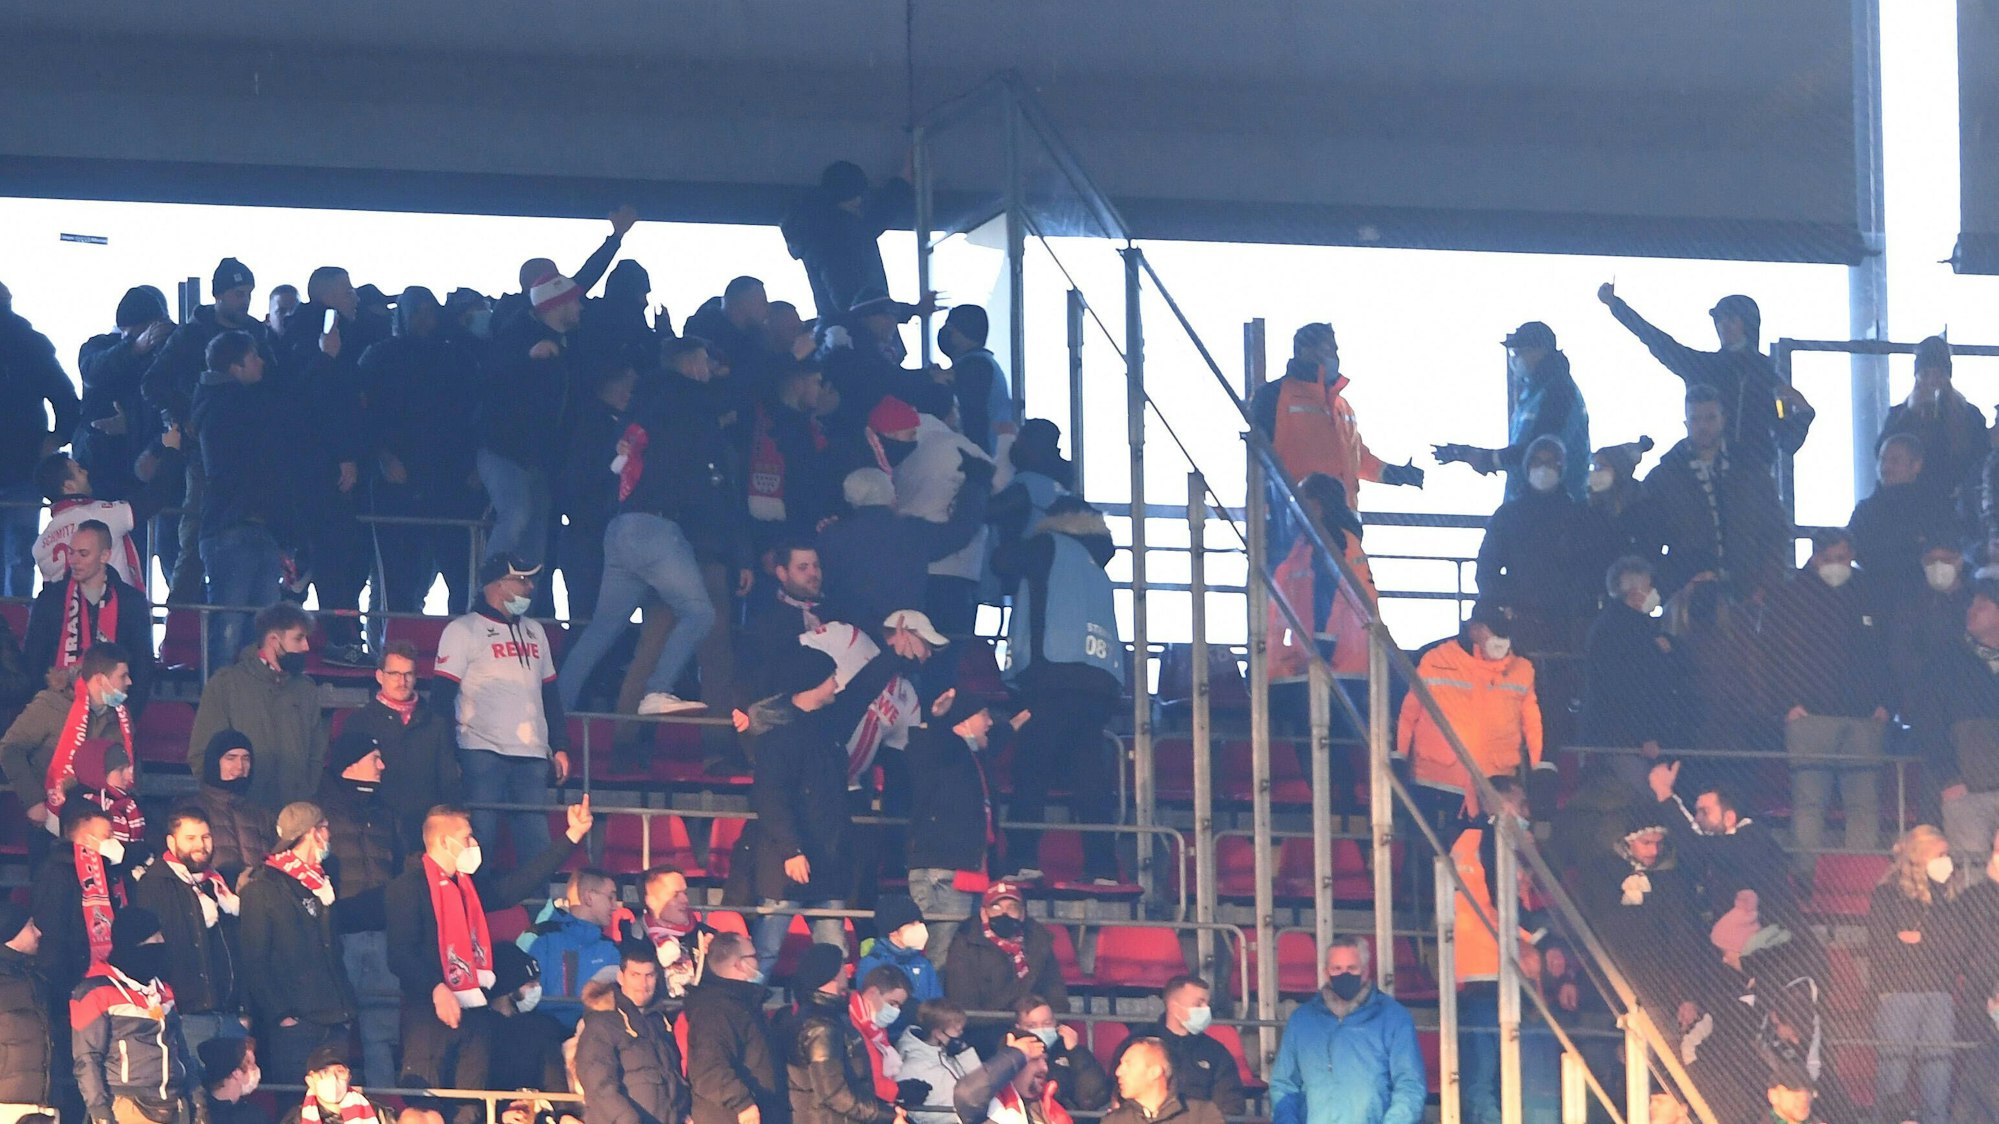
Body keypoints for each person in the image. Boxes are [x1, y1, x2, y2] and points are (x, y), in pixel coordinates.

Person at [559, 334, 748, 720]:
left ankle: (555, 710)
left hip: (621, 528)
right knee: (700, 614)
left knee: (601, 630)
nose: (709, 372)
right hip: (658, 529)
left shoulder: (641, 406)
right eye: (705, 364)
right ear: (693, 363)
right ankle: (657, 690)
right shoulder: (685, 399)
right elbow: (733, 398)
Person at [384, 800, 593, 1121]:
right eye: (467, 837)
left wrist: (571, 836)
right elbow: (400, 954)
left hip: (475, 1019)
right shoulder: (407, 888)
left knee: (471, 1110)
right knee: (426, 1111)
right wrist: (436, 988)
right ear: (443, 842)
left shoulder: (471, 888)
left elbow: (518, 885)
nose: (474, 844)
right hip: (428, 1019)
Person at [992, 496, 1125, 882]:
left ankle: (1022, 861)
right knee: (1090, 779)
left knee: (1032, 770)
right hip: (1098, 681)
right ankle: (1103, 867)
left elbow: (1002, 561)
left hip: (1052, 678)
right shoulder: (1096, 564)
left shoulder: (1049, 546)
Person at [141, 258, 270, 598]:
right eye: (238, 293)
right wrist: (183, 417)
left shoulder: (257, 333)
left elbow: (274, 384)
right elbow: (154, 382)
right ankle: (179, 623)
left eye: (248, 293)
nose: (244, 300)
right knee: (196, 535)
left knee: (252, 535)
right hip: (203, 452)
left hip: (252, 452)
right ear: (219, 295)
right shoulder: (190, 336)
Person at [277, 265, 386, 667]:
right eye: (346, 290)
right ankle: (339, 641)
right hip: (321, 469)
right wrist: (345, 455)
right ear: (326, 295)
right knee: (336, 554)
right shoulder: (316, 340)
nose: (355, 296)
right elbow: (321, 404)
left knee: (337, 555)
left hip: (317, 467)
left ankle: (324, 629)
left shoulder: (303, 335)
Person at [433, 555, 572, 862]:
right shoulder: (462, 631)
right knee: (477, 843)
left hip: (533, 756)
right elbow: (441, 701)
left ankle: (540, 910)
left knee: (537, 848)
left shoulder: (536, 630)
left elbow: (550, 695)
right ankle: (472, 908)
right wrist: (449, 756)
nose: (530, 586)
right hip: (480, 752)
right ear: (496, 585)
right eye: (521, 580)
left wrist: (560, 746)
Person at [1763, 527, 1892, 854]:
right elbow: (1770, 656)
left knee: (1863, 805)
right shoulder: (1789, 597)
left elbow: (1887, 652)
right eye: (1830, 558)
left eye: (1843, 557)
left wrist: (1885, 703)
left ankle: (1858, 884)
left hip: (1863, 716)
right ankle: (1805, 883)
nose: (1837, 565)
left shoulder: (1870, 593)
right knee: (1809, 805)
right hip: (1809, 716)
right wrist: (1787, 704)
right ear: (1815, 557)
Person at [360, 285, 486, 616]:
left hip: (453, 482)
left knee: (463, 580)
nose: (424, 319)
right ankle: (398, 653)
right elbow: (363, 416)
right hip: (398, 483)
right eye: (417, 312)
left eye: (430, 311)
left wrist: (476, 466)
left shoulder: (460, 358)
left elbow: (479, 415)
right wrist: (384, 457)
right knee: (400, 582)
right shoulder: (379, 357)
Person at [1597, 282, 1811, 470]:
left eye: (1730, 319)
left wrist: (1803, 412)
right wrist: (1617, 307)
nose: (1722, 326)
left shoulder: (1766, 375)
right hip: (1713, 473)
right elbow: (1658, 341)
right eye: (1719, 320)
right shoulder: (1706, 367)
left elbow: (1787, 439)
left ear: (1747, 323)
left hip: (1750, 481)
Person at [1396, 600, 1550, 835]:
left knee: (1490, 861)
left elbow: (1534, 724)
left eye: (1506, 633)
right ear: (1474, 628)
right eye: (1495, 631)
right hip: (1437, 783)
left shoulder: (1524, 667)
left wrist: (1540, 768)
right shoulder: (1434, 658)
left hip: (1493, 788)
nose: (1502, 640)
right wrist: (1398, 755)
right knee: (1429, 857)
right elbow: (1407, 713)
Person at [747, 646, 855, 974]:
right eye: (831, 677)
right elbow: (770, 798)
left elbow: (864, 691)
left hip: (827, 859)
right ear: (812, 682)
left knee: (833, 955)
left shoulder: (826, 729)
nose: (837, 683)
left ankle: (827, 1018)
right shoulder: (778, 740)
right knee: (766, 950)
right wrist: (791, 849)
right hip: (787, 865)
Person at [1638, 383, 1791, 597]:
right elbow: (1648, 541)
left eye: (1710, 418)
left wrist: (1767, 583)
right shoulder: (1663, 478)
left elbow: (1776, 531)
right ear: (1686, 423)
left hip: (1750, 591)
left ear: (1723, 419)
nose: (1703, 426)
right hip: (1689, 594)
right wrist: (1673, 585)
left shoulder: (1752, 470)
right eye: (1695, 419)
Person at [191, 329, 291, 660]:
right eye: (254, 357)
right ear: (235, 367)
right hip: (237, 522)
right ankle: (225, 701)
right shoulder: (235, 405)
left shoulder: (213, 403)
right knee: (239, 624)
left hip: (238, 522)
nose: (261, 363)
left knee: (245, 625)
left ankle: (231, 697)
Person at [238, 801, 354, 1083]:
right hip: (296, 1023)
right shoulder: (263, 887)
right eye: (325, 829)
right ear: (312, 832)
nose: (329, 836)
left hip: (334, 1016)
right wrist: (282, 1015)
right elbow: (254, 959)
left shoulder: (321, 882)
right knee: (296, 1105)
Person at [478, 271, 585, 574]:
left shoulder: (565, 343)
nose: (581, 307)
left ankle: (517, 609)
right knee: (516, 516)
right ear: (558, 304)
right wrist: (526, 359)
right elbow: (490, 378)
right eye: (575, 301)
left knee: (534, 539)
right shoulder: (516, 335)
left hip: (539, 458)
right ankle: (489, 593)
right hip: (505, 451)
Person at [1248, 322, 1424, 504]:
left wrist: (1398, 475)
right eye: (1328, 349)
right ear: (1305, 351)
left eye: (1335, 350)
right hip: (1296, 515)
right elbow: (1262, 455)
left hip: (1342, 519)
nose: (1335, 356)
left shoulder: (1342, 407)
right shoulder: (1275, 395)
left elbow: (1358, 459)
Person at [1267, 937, 1425, 1124]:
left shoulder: (1394, 1018)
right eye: (1337, 969)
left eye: (1352, 968)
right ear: (1326, 973)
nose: (1344, 974)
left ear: (1365, 972)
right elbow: (1283, 1085)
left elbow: (1409, 1085)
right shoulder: (1301, 1021)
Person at [70, 907, 204, 1124]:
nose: (161, 946)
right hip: (129, 1103)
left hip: (174, 1102)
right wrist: (100, 1111)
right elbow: (87, 1058)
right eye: (154, 940)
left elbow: (181, 1049)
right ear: (133, 946)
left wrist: (197, 1096)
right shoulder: (94, 991)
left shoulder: (163, 989)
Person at [818, 467, 990, 636]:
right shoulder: (913, 532)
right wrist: (975, 487)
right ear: (890, 494)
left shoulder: (832, 535)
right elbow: (959, 533)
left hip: (847, 632)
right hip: (900, 634)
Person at [189, 603, 328, 809]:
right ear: (273, 640)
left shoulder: (307, 690)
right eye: (298, 638)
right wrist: (224, 802)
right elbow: (202, 753)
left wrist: (305, 793)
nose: (306, 646)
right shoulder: (226, 684)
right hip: (239, 814)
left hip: (294, 813)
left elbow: (317, 754)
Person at [1433, 321, 1591, 501]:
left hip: (1557, 502)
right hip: (1525, 498)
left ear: (1539, 351)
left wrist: (1488, 458)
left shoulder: (1558, 391)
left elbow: (1538, 447)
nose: (1515, 358)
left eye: (1519, 352)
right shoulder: (1533, 392)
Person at [132, 806, 243, 1059]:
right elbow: (152, 951)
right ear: (171, 842)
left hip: (229, 1014)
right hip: (185, 1015)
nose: (200, 845)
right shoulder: (154, 885)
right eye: (190, 838)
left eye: (205, 837)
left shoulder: (219, 884)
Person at [903, 689, 1002, 968]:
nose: (990, 722)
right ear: (964, 721)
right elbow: (927, 745)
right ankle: (930, 1010)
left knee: (951, 952)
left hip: (960, 868)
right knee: (940, 954)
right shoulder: (939, 750)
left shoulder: (970, 758)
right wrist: (939, 718)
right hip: (944, 869)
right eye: (984, 715)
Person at [1867, 825, 1958, 1123]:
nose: (1947, 861)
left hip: (1939, 992)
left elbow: (1953, 945)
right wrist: (1930, 944)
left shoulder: (1946, 896)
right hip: (1899, 992)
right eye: (1940, 854)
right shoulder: (1887, 894)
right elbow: (1883, 947)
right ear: (1920, 855)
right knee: (1894, 1071)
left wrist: (1919, 940)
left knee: (1939, 1071)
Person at [1472, 435, 1592, 655]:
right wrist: (1502, 604)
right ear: (1527, 468)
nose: (1543, 469)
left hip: (1566, 621)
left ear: (1562, 467)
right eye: (1537, 462)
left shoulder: (1580, 517)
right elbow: (1486, 568)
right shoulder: (1508, 516)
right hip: (1518, 618)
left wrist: (1578, 607)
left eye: (1551, 462)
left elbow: (1589, 568)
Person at [0, 279, 82, 596]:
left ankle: (13, 633)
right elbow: (67, 399)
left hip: (23, 469)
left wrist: (57, 437)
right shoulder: (29, 344)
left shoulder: (28, 346)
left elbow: (67, 401)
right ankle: (14, 634)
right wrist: (56, 438)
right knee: (18, 560)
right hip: (24, 466)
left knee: (18, 560)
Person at [1, 642, 134, 835]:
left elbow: (130, 763)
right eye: (122, 676)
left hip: (103, 824)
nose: (129, 682)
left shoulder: (121, 716)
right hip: (50, 817)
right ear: (100, 679)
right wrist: (33, 801)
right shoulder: (50, 705)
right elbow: (10, 749)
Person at [73, 285, 175, 531]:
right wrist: (135, 348)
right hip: (99, 470)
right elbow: (94, 371)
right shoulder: (99, 347)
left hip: (143, 471)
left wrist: (133, 423)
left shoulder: (170, 353)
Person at [341, 641, 461, 850]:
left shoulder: (436, 723)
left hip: (424, 832)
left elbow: (448, 781)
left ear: (416, 677)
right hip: (377, 831)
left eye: (408, 674)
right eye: (394, 674)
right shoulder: (358, 722)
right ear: (380, 676)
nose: (402, 681)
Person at [24, 518, 155, 709]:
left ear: (104, 556)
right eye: (72, 552)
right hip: (57, 708)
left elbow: (143, 668)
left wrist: (128, 717)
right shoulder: (50, 598)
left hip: (112, 712)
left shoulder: (131, 601)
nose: (74, 560)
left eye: (83, 554)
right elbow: (33, 661)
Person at [1648, 764, 1802, 927]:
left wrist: (1665, 793)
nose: (1697, 819)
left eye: (1705, 812)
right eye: (1697, 812)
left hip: (1772, 946)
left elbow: (1695, 844)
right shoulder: (1726, 843)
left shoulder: (1752, 839)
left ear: (1729, 818)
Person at [1579, 557, 1687, 780]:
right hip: (1626, 738)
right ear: (1635, 593)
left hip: (1621, 733)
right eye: (1649, 587)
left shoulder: (1628, 626)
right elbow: (1631, 687)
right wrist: (1645, 735)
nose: (1653, 592)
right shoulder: (1622, 631)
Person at [33, 443, 182, 596]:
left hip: (68, 617)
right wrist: (171, 450)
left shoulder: (41, 545)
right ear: (69, 487)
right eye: (79, 470)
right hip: (113, 614)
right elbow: (154, 497)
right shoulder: (100, 515)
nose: (85, 472)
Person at [781, 943, 902, 1124]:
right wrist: (886, 1116)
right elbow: (834, 1093)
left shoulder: (828, 1016)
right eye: (842, 967)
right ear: (831, 973)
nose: (847, 971)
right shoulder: (820, 1026)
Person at [781, 160, 914, 323]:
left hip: (844, 334)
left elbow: (875, 219)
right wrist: (912, 310)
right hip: (857, 337)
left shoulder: (826, 229)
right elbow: (851, 303)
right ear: (857, 199)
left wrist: (902, 182)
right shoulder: (837, 239)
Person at [576, 941, 692, 1124]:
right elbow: (598, 1084)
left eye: (649, 975)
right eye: (635, 975)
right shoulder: (602, 1023)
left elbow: (673, 1078)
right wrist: (626, 1119)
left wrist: (684, 1113)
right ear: (621, 978)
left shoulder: (661, 1023)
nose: (643, 983)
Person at [942, 885, 1069, 1046]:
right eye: (996, 907)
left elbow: (1056, 995)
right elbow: (964, 1007)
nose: (1004, 914)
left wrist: (1045, 1025)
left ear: (1022, 914)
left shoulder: (1039, 942)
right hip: (984, 1037)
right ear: (983, 913)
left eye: (1012, 908)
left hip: (1036, 1033)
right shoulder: (965, 944)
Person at [682, 931, 787, 1124]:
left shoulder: (743, 1004)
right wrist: (743, 1104)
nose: (759, 963)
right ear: (739, 964)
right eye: (754, 957)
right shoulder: (714, 1010)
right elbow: (708, 1070)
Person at [1105, 977, 1245, 1117]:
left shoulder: (1216, 1052)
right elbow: (1120, 1094)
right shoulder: (1136, 1046)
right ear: (1173, 1006)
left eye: (1207, 1004)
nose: (1206, 1010)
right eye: (1198, 1004)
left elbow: (1230, 1105)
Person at [1850, 432, 1960, 610]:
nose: (1885, 467)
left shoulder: (1935, 507)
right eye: (1882, 460)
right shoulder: (1865, 510)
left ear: (1916, 465)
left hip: (1926, 601)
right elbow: (1855, 550)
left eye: (1894, 460)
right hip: (1873, 598)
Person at [1881, 335, 1987, 516]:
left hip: (1957, 511)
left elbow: (1981, 462)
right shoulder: (1899, 416)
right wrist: (1909, 415)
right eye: (1925, 374)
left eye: (1938, 374)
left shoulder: (1970, 416)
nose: (1932, 381)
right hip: (1908, 508)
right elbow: (1883, 454)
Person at [528, 867, 625, 1027]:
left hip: (597, 1033)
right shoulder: (540, 938)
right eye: (610, 897)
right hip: (546, 1032)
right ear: (588, 898)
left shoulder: (612, 948)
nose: (615, 906)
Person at [191, 730, 274, 887]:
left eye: (246, 759)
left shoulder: (262, 814)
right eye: (231, 758)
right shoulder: (193, 809)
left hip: (258, 901)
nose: (240, 767)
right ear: (214, 763)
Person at [935, 306, 1016, 459]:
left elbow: (972, 419)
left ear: (965, 332)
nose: (945, 332)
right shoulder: (980, 363)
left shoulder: (975, 367)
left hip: (981, 459)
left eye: (950, 327)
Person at [856, 895, 940, 1041]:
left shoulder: (923, 964)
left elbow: (937, 1003)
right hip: (884, 1039)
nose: (919, 927)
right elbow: (871, 1009)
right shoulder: (871, 963)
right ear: (893, 931)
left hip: (921, 1039)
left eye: (919, 922)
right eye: (912, 924)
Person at [1006, 997, 1108, 1115]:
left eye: (1047, 1023)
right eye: (1031, 1026)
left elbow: (1094, 1097)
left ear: (1056, 1024)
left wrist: (1075, 1051)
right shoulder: (1009, 1052)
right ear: (1018, 1028)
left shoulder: (1069, 1051)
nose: (1041, 1029)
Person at [948, 1028, 1063, 1124]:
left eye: (1045, 1060)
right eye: (1035, 1059)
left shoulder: (1052, 1106)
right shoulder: (991, 1107)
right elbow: (967, 1095)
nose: (1044, 1068)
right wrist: (1016, 1054)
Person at [0, 904, 51, 1112]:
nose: (39, 932)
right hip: (8, 1105)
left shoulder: (34, 977)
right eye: (31, 926)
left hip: (42, 1102)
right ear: (13, 931)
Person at [1104, 1038, 1225, 1124]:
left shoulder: (1201, 1114)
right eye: (1120, 1064)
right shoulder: (1114, 1121)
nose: (1118, 1072)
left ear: (1154, 1072)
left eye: (1128, 1064)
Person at [895, 999, 978, 1116]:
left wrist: (964, 1052)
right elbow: (915, 1113)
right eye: (957, 1030)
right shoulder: (912, 1066)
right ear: (938, 1033)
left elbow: (981, 1082)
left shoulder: (947, 1052)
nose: (961, 1033)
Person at [282, 1046, 401, 1124]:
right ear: (310, 1081)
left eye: (340, 1071)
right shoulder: (296, 1119)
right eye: (324, 1073)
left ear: (349, 1076)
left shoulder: (377, 1112)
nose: (333, 1078)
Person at [848, 965, 913, 1105]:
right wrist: (897, 1091)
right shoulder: (850, 1026)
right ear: (872, 993)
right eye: (892, 1003)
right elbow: (864, 1079)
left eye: (899, 1006)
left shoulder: (876, 1028)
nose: (896, 1011)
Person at [197, 1038, 262, 1124]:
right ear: (236, 1073)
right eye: (251, 1065)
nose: (256, 1070)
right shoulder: (253, 1117)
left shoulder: (199, 1110)